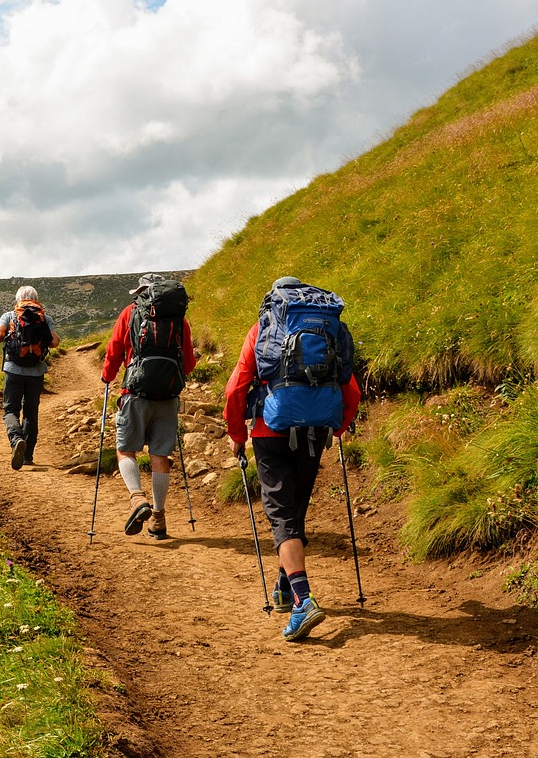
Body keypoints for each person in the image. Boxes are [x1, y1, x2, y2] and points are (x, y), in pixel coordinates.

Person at [223, 276, 361, 641]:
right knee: (296, 512)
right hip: (316, 432)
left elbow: (236, 386)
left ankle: (302, 600)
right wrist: (337, 427)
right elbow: (351, 389)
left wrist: (237, 435)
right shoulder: (330, 329)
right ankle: (285, 588)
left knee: (282, 517)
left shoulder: (263, 329)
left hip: (270, 432)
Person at [100, 273, 197, 540]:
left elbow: (114, 350)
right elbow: (188, 364)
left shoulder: (130, 313)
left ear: (142, 292)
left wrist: (107, 375)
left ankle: (137, 498)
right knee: (160, 456)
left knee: (125, 449)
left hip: (135, 392)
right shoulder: (180, 320)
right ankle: (159, 518)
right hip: (167, 396)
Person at [0, 285, 60, 470]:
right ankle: (28, 455)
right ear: (35, 299)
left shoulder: (9, 316)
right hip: (36, 372)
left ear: (18, 300)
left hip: (13, 370)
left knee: (11, 411)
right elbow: (54, 342)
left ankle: (16, 440)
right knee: (31, 412)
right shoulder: (44, 318)